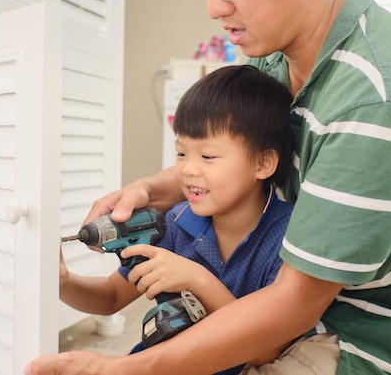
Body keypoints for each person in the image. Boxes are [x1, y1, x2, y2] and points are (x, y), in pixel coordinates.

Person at [25, 0, 391, 374]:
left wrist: (119, 368)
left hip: (387, 331)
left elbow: (291, 308)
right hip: (321, 301)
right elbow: (221, 153)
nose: (215, 6)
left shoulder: (381, 99)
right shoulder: (273, 51)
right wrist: (149, 190)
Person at [58, 65, 295, 375]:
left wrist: (198, 281)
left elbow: (269, 350)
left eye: (207, 156)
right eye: (181, 154)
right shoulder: (174, 223)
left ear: (263, 163)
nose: (187, 170)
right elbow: (112, 296)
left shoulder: (286, 239)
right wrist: (63, 283)